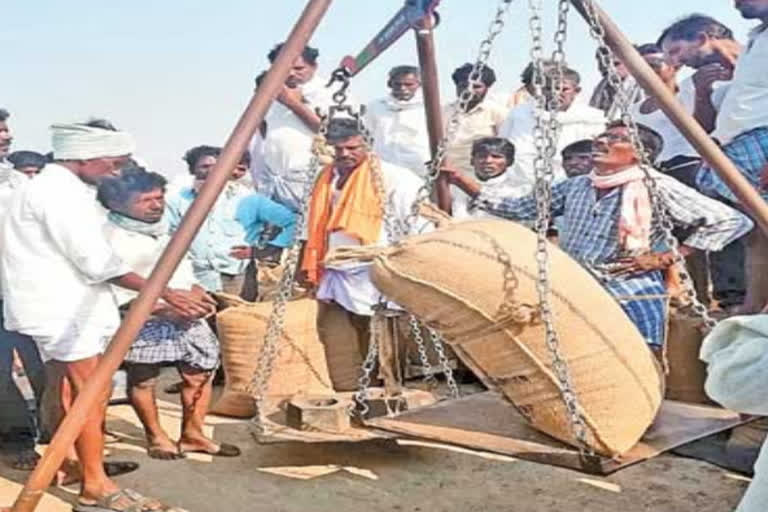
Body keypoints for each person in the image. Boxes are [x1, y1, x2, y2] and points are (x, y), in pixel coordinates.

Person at [1, 122, 212, 511]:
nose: (117, 174)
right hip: (65, 308)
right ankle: (96, 485)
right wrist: (164, 292)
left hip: (60, 306)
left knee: (72, 391)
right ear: (85, 158)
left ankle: (74, 463)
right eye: (113, 165)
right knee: (89, 394)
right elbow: (96, 261)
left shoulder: (49, 189)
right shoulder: (57, 195)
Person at [444, 121, 753, 347]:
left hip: (630, 289)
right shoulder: (578, 184)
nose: (601, 141)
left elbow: (730, 220)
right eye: (603, 135)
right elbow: (521, 208)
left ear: (639, 154)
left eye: (616, 138)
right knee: (581, 354)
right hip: (579, 286)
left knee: (639, 354)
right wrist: (460, 180)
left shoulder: (655, 184)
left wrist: (666, 257)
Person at [99, 167, 239, 460]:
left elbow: (184, 270)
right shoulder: (107, 237)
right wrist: (164, 308)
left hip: (186, 315)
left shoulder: (164, 229)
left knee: (199, 376)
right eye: (146, 200)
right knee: (143, 380)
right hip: (141, 320)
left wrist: (200, 295)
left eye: (159, 197)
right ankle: (156, 436)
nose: (156, 205)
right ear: (116, 204)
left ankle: (193, 434)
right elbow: (115, 288)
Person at [301, 118, 427, 391]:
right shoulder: (326, 177)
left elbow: (416, 219)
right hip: (339, 263)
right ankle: (369, 383)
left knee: (386, 324)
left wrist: (406, 255)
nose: (345, 154)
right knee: (356, 323)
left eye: (352, 148)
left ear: (367, 145)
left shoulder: (394, 176)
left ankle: (393, 382)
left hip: (377, 260)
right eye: (338, 149)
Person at [681, 4, 768, 314]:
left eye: (679, 50)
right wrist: (703, 94)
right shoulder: (755, 42)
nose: (735, 2)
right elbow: (707, 125)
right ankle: (754, 305)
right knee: (757, 233)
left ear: (704, 38)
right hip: (739, 144)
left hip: (762, 142)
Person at [166, 145, 296, 294]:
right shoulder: (177, 200)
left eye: (217, 166)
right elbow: (165, 236)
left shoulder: (246, 198)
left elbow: (291, 222)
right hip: (194, 278)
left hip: (236, 277)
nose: (211, 170)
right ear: (192, 170)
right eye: (205, 166)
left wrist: (260, 251)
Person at [0, 110, 45, 472]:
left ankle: (54, 434)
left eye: (5, 129)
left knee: (46, 365)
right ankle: (15, 439)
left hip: (25, 286)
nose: (5, 136)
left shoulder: (17, 180)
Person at [498, 64, 606, 197]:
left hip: (573, 193)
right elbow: (503, 149)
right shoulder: (519, 114)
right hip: (519, 190)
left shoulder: (593, 119)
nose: (555, 94)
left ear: (576, 91)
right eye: (549, 89)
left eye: (564, 89)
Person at [259, 43, 335, 212]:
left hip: (312, 176)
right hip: (277, 179)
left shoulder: (329, 92)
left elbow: (334, 132)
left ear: (313, 66)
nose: (292, 73)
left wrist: (292, 103)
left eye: (299, 68)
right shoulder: (273, 92)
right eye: (284, 69)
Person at [443, 63, 508, 218]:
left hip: (483, 181)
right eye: (463, 85)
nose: (469, 90)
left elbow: (504, 148)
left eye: (477, 86)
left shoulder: (497, 113)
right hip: (449, 179)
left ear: (487, 88)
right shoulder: (443, 111)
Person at [364, 65, 430, 175]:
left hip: (419, 168)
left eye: (409, 84)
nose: (403, 88)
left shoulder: (428, 107)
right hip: (384, 166)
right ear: (389, 84)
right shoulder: (375, 106)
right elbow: (367, 136)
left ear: (419, 85)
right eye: (398, 84)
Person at [589, 47, 642, 119]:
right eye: (604, 64)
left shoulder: (641, 87)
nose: (610, 68)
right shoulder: (602, 88)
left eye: (616, 64)